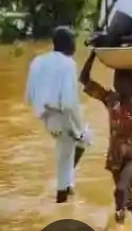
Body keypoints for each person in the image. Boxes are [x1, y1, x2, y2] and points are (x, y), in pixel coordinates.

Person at [79, 51, 132, 223]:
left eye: (122, 80)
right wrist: (93, 54)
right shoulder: (111, 99)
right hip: (115, 157)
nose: (117, 83)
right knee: (126, 196)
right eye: (116, 79)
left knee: (120, 190)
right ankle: (129, 226)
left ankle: (119, 227)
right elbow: (84, 79)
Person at [25, 26, 91, 203]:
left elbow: (28, 96)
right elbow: (69, 102)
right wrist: (76, 126)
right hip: (62, 115)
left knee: (76, 145)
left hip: (45, 116)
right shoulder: (68, 64)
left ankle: (68, 183)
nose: (75, 46)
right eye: (73, 42)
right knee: (76, 145)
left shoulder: (38, 61)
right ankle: (62, 201)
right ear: (68, 44)